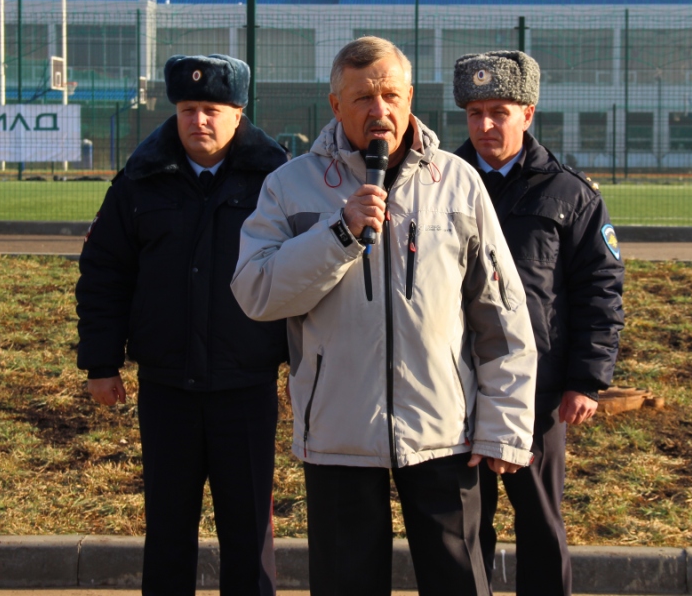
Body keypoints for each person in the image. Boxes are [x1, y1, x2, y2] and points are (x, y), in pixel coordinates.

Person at [231, 36, 537, 596]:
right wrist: (339, 232)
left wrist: (504, 426)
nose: (380, 111)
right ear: (335, 105)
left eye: (391, 95)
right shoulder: (289, 185)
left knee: (461, 584)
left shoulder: (457, 181)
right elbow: (257, 292)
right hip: (338, 435)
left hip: (446, 434)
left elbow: (501, 313)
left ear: (410, 97)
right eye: (363, 98)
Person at [75, 54, 288, 596]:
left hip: (246, 385)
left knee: (249, 531)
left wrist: (303, 364)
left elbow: (305, 276)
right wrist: (101, 362)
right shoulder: (139, 180)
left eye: (212, 109)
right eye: (188, 108)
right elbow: (105, 273)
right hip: (167, 386)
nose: (199, 120)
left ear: (238, 112)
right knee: (168, 530)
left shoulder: (277, 181)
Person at [452, 50, 624, 596]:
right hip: (455, 385)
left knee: (541, 522)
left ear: (527, 114)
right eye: (475, 113)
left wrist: (585, 380)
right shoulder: (440, 183)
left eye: (499, 112)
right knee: (462, 529)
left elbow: (600, 290)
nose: (485, 125)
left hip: (537, 390)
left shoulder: (569, 193)